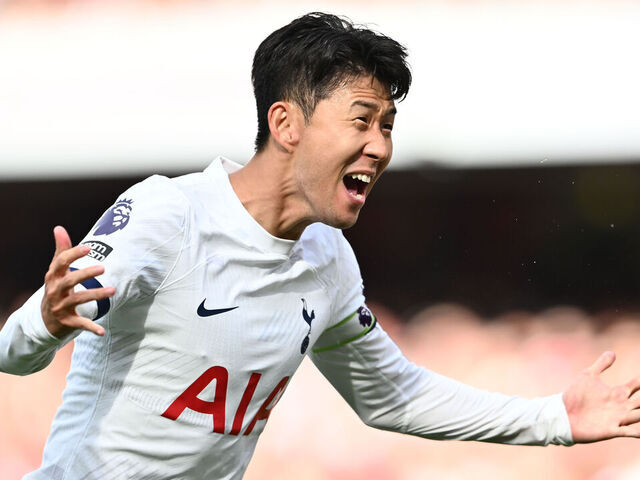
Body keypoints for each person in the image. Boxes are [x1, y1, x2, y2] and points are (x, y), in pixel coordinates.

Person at [1, 12, 639, 480]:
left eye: (388, 126)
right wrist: (47, 320)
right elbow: (13, 355)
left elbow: (391, 395)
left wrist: (556, 417)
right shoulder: (168, 216)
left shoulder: (326, 259)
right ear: (286, 124)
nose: (381, 147)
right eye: (361, 120)